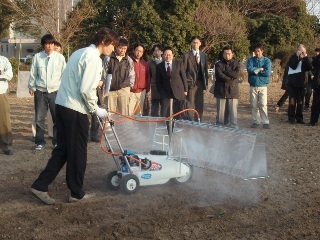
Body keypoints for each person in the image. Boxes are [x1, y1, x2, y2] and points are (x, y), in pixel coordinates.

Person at [30, 27, 119, 205]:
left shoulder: (80, 52)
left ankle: (40, 185)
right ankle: (76, 192)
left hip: (62, 105)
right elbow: (86, 90)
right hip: (75, 109)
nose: (113, 49)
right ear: (104, 42)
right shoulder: (94, 58)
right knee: (78, 152)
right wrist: (96, 109)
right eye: (113, 45)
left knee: (63, 149)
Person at [28, 34, 66, 150]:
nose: (49, 46)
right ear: (43, 45)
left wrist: (64, 90)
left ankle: (56, 141)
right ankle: (40, 142)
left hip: (55, 91)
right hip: (40, 91)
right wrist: (31, 86)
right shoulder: (38, 57)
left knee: (57, 117)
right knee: (39, 118)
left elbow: (64, 75)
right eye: (47, 44)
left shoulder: (60, 58)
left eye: (51, 44)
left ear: (54, 45)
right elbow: (33, 73)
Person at [104, 37, 135, 115]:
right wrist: (104, 87)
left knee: (124, 114)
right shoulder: (108, 58)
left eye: (125, 49)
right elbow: (104, 73)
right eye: (121, 48)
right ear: (116, 47)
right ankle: (111, 127)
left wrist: (130, 86)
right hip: (111, 90)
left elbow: (132, 74)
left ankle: (124, 128)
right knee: (110, 113)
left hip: (124, 89)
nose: (122, 50)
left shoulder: (128, 60)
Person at [156, 47, 188, 117]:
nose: (168, 56)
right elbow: (158, 81)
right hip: (165, 92)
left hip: (178, 91)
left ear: (173, 55)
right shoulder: (159, 66)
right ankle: (166, 127)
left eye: (169, 55)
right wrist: (161, 91)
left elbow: (184, 77)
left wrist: (185, 90)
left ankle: (176, 127)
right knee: (165, 112)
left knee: (178, 112)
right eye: (166, 55)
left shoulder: (179, 63)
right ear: (163, 55)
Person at [182, 36, 209, 121]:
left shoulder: (204, 55)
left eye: (197, 42)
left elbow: (205, 70)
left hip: (200, 83)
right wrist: (185, 84)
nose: (195, 44)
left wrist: (206, 83)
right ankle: (190, 121)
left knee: (200, 104)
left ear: (200, 44)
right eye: (194, 42)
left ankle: (199, 120)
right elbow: (183, 71)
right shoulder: (186, 55)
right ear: (191, 43)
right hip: (190, 84)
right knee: (190, 103)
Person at [213, 46, 240, 128]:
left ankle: (234, 128)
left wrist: (225, 71)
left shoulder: (236, 63)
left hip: (233, 90)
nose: (227, 55)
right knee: (220, 113)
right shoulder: (218, 64)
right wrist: (230, 77)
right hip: (220, 90)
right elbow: (219, 75)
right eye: (225, 53)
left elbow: (236, 74)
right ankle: (219, 128)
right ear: (222, 54)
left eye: (229, 53)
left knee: (233, 112)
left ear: (232, 54)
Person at [247, 44, 272, 129]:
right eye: (255, 51)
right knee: (254, 105)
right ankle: (255, 121)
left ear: (262, 51)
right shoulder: (250, 60)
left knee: (263, 104)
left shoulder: (267, 61)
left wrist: (255, 71)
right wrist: (260, 69)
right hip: (253, 85)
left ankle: (265, 121)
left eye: (258, 51)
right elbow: (249, 70)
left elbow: (267, 72)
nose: (257, 53)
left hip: (263, 85)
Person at [286, 44, 312, 124]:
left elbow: (309, 67)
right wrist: (298, 58)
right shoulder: (293, 57)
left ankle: (299, 118)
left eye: (302, 50)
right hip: (292, 83)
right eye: (299, 50)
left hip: (302, 83)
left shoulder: (306, 59)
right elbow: (293, 66)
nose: (300, 51)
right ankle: (291, 118)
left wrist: (305, 57)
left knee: (300, 102)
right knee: (292, 102)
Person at [129, 43, 150, 115]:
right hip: (131, 92)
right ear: (133, 51)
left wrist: (147, 90)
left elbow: (147, 77)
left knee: (139, 114)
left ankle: (137, 126)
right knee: (129, 113)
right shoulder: (128, 61)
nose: (139, 53)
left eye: (141, 51)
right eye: (137, 50)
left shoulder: (145, 63)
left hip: (142, 92)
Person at [0, 53, 14, 155]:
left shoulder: (3, 60)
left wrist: (2, 74)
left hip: (1, 92)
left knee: (4, 120)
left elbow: (9, 75)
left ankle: (7, 145)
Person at [148, 44, 164, 117]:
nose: (157, 52)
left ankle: (164, 124)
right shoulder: (150, 63)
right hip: (154, 88)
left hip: (164, 87)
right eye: (155, 50)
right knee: (154, 108)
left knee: (164, 108)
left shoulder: (165, 61)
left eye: (158, 50)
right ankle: (153, 124)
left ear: (162, 52)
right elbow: (149, 76)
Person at [309, 48, 320, 126]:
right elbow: (314, 63)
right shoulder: (317, 59)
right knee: (315, 104)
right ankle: (313, 121)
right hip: (318, 84)